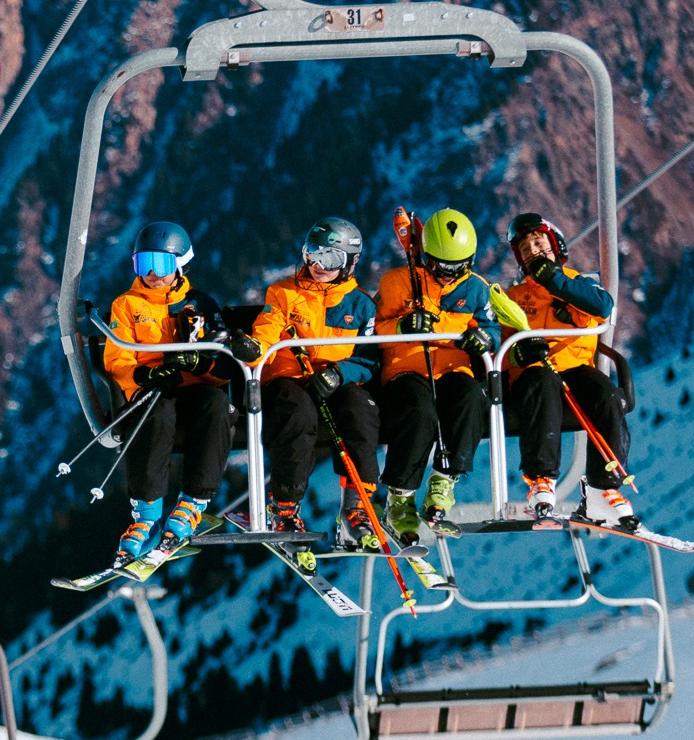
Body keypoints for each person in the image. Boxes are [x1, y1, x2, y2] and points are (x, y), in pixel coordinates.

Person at [100, 220, 258, 568]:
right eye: (145, 265)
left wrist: (199, 362)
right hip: (154, 391)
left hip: (196, 392)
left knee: (217, 404)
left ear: (181, 265)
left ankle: (192, 503)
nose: (154, 274)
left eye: (163, 265)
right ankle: (147, 513)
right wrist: (144, 373)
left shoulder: (199, 303)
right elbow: (116, 358)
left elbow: (225, 364)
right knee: (153, 412)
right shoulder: (127, 305)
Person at [499, 212, 637, 525]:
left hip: (574, 369)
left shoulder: (576, 285)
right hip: (534, 375)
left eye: (538, 243)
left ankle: (604, 488)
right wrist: (520, 354)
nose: (532, 251)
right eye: (525, 249)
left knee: (606, 395)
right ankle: (541, 479)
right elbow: (500, 349)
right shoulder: (515, 298)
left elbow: (602, 307)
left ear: (555, 246)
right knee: (542, 380)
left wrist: (554, 280)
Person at [249, 216, 382, 541]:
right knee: (297, 415)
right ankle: (284, 505)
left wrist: (340, 373)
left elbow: (368, 358)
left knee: (360, 410)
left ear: (349, 263)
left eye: (331, 258)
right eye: (313, 253)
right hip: (289, 377)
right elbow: (266, 331)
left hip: (335, 381)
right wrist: (252, 348)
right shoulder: (283, 293)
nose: (319, 265)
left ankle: (356, 505)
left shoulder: (360, 305)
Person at [373, 207, 500, 540]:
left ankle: (444, 481)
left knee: (471, 398)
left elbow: (491, 327)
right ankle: (400, 497)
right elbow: (373, 328)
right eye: (440, 267)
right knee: (419, 413)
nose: (447, 275)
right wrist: (402, 325)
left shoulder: (475, 289)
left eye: (457, 269)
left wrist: (483, 338)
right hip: (407, 367)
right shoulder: (397, 282)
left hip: (452, 366)